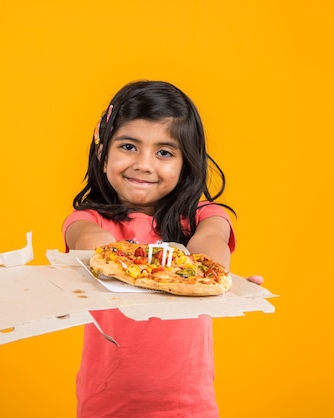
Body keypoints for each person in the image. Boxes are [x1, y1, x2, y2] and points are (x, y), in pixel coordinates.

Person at [62, 80, 263, 418]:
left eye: (164, 152)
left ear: (187, 162)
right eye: (128, 146)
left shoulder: (202, 216)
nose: (144, 164)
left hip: (188, 407)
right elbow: (91, 245)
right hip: (106, 404)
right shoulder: (87, 219)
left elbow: (210, 244)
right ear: (102, 150)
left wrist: (213, 277)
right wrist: (127, 262)